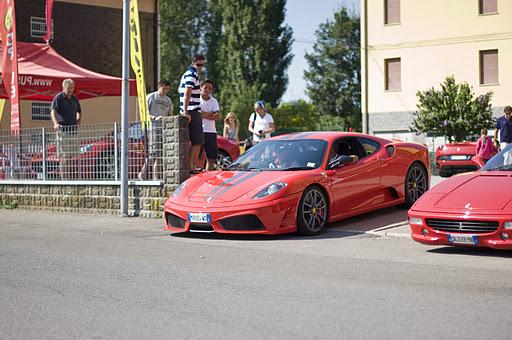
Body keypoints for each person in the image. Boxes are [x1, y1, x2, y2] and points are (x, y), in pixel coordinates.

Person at [139, 79, 173, 180]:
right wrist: (154, 117)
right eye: (164, 89)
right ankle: (144, 173)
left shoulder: (168, 100)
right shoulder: (151, 97)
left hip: (164, 129)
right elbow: (144, 112)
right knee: (153, 153)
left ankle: (155, 176)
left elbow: (170, 114)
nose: (165, 91)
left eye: (167, 89)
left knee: (160, 153)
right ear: (159, 87)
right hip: (152, 128)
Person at [179, 54, 205, 173]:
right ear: (193, 63)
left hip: (189, 110)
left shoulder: (186, 74)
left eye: (202, 65)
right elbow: (187, 92)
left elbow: (181, 90)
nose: (201, 67)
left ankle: (189, 166)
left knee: (190, 141)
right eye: (199, 65)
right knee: (197, 142)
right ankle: (191, 167)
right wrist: (185, 111)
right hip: (192, 111)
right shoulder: (192, 75)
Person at [50, 78, 81, 180]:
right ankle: (64, 179)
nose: (70, 90)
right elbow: (53, 111)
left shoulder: (74, 99)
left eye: (72, 88)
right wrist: (55, 123)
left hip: (73, 131)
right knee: (65, 156)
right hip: (63, 131)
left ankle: (69, 178)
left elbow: (79, 111)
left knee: (72, 156)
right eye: (68, 88)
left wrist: (78, 122)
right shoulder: (59, 98)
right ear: (63, 87)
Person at [200, 79, 221, 171]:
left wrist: (204, 114)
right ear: (200, 88)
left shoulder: (214, 101)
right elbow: (198, 114)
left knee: (211, 158)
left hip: (211, 132)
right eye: (206, 88)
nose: (208, 90)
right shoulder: (196, 100)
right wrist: (210, 113)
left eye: (210, 88)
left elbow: (217, 116)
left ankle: (208, 176)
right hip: (199, 131)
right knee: (197, 157)